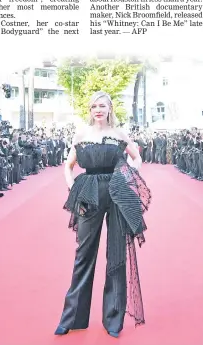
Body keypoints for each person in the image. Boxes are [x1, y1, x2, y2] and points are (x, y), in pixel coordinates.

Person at [54, 91, 151, 338]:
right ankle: (72, 318)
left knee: (116, 254)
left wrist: (128, 174)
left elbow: (137, 157)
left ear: (109, 109)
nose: (98, 109)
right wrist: (71, 186)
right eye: (94, 106)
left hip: (118, 193)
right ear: (90, 109)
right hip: (89, 193)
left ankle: (113, 320)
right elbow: (68, 165)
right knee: (84, 254)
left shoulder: (119, 134)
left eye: (102, 106)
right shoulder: (81, 134)